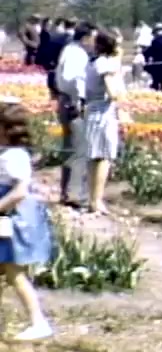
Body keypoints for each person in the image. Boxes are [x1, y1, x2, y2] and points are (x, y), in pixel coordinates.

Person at [0, 100, 54, 341]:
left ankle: (38, 322)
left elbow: (20, 191)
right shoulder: (6, 153)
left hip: (12, 220)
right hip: (6, 217)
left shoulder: (15, 157)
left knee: (14, 272)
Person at [84, 29, 127, 215]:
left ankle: (93, 199)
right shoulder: (105, 65)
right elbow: (112, 92)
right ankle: (97, 200)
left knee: (95, 157)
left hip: (93, 111)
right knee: (103, 157)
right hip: (103, 113)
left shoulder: (95, 62)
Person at [55, 22, 96, 209]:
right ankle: (75, 194)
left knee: (70, 147)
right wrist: (79, 99)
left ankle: (67, 191)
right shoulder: (77, 54)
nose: (95, 42)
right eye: (93, 38)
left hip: (65, 100)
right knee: (80, 148)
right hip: (73, 102)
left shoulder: (69, 50)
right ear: (86, 37)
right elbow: (74, 78)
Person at [145, 24, 162, 92]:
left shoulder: (154, 41)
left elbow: (150, 53)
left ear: (156, 32)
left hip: (157, 65)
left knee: (156, 85)